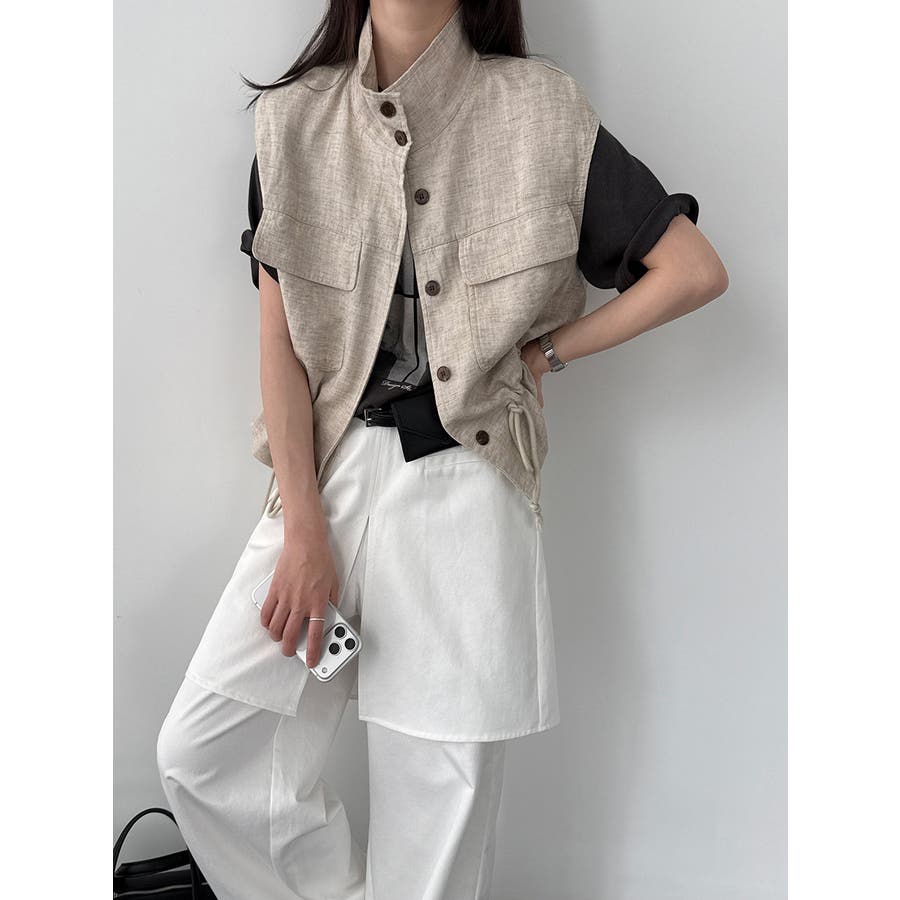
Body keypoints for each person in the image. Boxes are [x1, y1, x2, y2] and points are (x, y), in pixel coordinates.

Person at [155, 1, 729, 898]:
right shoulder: (293, 121)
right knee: (206, 755)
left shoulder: (542, 111)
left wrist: (545, 354)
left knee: (437, 813)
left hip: (467, 491)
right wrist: (303, 527)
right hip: (329, 482)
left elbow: (692, 270)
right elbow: (280, 346)